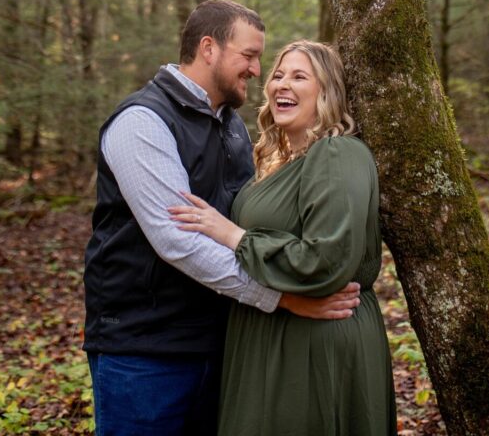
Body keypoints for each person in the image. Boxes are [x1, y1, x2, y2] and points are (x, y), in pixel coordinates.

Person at [83, 1, 361, 436]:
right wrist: (283, 299)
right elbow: (179, 241)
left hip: (223, 342)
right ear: (209, 48)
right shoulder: (142, 122)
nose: (256, 69)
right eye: (248, 56)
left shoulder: (231, 126)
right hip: (145, 352)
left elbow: (255, 223)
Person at [170, 40, 397, 436]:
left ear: (326, 91)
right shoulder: (278, 161)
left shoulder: (336, 154)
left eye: (299, 76)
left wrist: (234, 236)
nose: (281, 85)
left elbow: (324, 261)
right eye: (278, 75)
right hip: (271, 330)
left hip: (314, 341)